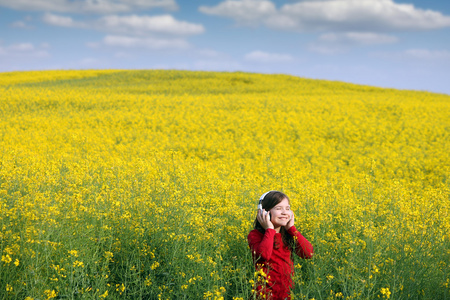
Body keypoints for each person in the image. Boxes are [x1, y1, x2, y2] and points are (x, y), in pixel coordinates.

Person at [248, 191, 313, 300]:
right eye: (278, 209)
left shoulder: (288, 235)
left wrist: (291, 229)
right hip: (264, 295)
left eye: (287, 209)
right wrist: (269, 229)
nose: (284, 212)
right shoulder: (255, 235)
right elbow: (264, 255)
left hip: (286, 294)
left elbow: (308, 253)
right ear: (264, 212)